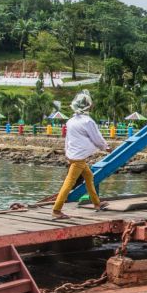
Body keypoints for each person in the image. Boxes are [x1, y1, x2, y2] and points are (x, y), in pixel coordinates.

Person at [51, 91, 110, 219]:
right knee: (68, 183)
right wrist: (106, 148)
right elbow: (97, 138)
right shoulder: (88, 122)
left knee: (89, 176)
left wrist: (68, 153)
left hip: (73, 156)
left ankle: (97, 203)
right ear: (87, 106)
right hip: (79, 158)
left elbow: (68, 140)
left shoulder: (71, 121)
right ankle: (56, 210)